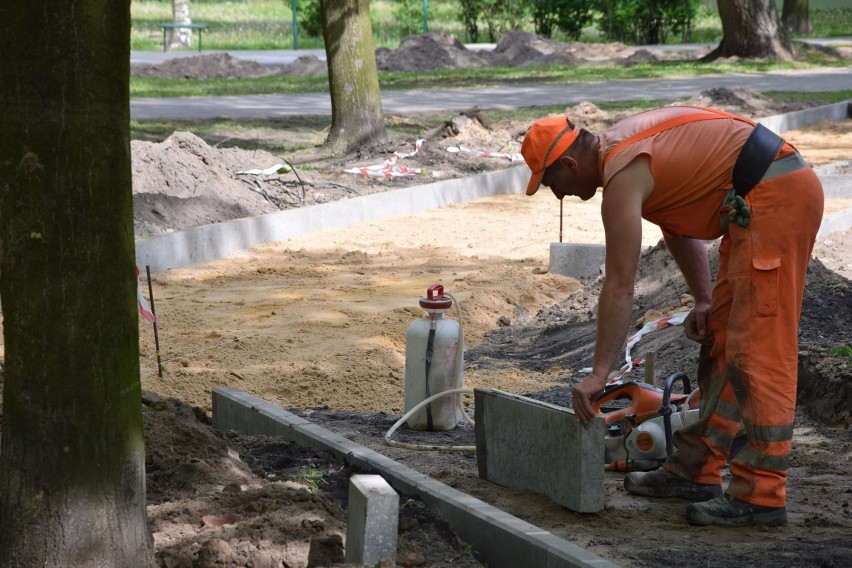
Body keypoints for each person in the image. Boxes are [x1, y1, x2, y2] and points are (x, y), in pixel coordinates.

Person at [520, 105, 824, 527]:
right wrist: (703, 298)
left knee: (759, 350)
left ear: (570, 163)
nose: (558, 194)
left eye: (553, 182)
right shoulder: (627, 152)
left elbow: (620, 286)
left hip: (775, 195)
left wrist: (598, 376)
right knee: (721, 341)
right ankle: (696, 469)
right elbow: (676, 224)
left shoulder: (623, 171)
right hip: (754, 196)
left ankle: (762, 494)